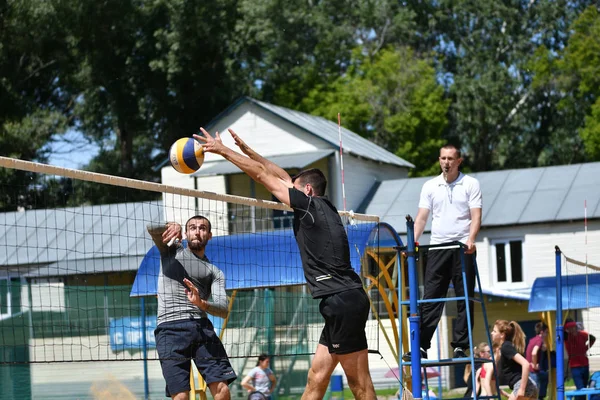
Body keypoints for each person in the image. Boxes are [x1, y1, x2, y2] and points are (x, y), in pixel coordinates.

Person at [194, 127, 376, 400]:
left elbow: (266, 178)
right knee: (317, 377)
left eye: (295, 187)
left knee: (360, 385)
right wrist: (249, 151)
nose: (288, 188)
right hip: (342, 300)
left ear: (308, 190)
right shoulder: (323, 207)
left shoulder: (309, 207)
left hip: (341, 302)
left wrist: (223, 151)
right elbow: (279, 175)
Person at [403, 144, 482, 361]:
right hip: (438, 248)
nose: (446, 162)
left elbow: (476, 216)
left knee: (464, 297)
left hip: (461, 249)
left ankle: (460, 346)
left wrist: (471, 240)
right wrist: (412, 241)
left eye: (450, 159)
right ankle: (421, 346)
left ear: (459, 161)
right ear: (439, 160)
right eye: (443, 158)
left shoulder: (470, 184)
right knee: (430, 298)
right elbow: (421, 218)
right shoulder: (430, 186)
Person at [148, 215, 237, 400]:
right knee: (181, 396)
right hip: (169, 329)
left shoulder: (215, 272)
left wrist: (201, 303)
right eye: (193, 227)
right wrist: (172, 225)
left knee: (222, 390)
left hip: (201, 327)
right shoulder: (171, 250)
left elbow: (223, 309)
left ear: (210, 235)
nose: (198, 231)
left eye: (203, 228)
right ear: (186, 233)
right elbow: (151, 228)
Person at [491, 320, 538, 400]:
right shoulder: (506, 347)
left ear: (502, 335)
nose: (492, 333)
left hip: (522, 385)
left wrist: (521, 389)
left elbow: (525, 364)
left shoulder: (506, 346)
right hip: (528, 385)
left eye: (494, 331)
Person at [564, 318, 596, 399]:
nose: (572, 329)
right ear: (567, 328)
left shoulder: (582, 334)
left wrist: (585, 348)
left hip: (585, 364)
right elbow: (563, 331)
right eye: (569, 327)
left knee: (584, 387)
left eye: (573, 327)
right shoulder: (567, 337)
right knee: (580, 388)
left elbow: (592, 338)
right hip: (575, 366)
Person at [526, 322, 549, 399]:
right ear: (542, 332)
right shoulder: (539, 340)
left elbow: (540, 349)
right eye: (546, 332)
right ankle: (540, 397)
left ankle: (541, 396)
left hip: (529, 369)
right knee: (535, 392)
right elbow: (534, 353)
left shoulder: (533, 339)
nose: (547, 335)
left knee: (545, 376)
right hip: (533, 371)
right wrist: (535, 364)